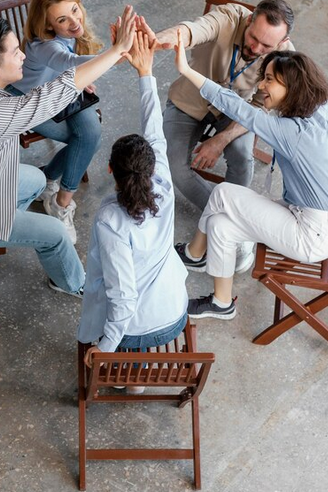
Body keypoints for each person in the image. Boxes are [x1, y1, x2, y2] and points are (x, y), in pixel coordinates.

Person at [0, 6, 138, 297]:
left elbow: (50, 91)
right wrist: (117, 50)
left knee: (36, 180)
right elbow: (57, 90)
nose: (23, 55)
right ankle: (72, 283)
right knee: (56, 234)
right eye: (14, 52)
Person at [172, 34, 328, 320]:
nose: (262, 86)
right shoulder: (322, 110)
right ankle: (221, 303)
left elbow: (239, 110)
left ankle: (193, 255)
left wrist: (187, 70)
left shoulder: (294, 133)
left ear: (292, 87)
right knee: (219, 224)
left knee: (222, 193)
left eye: (269, 80)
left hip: (311, 234)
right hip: (317, 219)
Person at [77, 29, 189, 389]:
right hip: (175, 312)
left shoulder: (112, 220)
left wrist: (105, 349)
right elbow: (154, 129)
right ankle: (135, 377)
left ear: (110, 170)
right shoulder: (164, 185)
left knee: (114, 321)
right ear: (151, 166)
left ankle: (131, 376)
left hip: (140, 329)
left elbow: (124, 298)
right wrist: (146, 73)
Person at [153, 0, 296, 272]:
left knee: (243, 158)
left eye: (266, 46)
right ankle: (236, 223)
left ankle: (227, 225)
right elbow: (195, 29)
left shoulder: (287, 56)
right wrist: (164, 38)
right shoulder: (228, 17)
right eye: (253, 37)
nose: (256, 48)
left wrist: (220, 140)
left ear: (283, 40)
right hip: (189, 101)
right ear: (250, 19)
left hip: (237, 113)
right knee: (172, 166)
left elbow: (261, 110)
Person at [10, 0, 104, 244]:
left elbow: (66, 67)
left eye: (75, 10)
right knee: (85, 140)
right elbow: (67, 61)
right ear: (49, 26)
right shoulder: (44, 46)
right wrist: (118, 53)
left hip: (61, 89)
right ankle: (60, 201)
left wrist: (77, 78)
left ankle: (51, 183)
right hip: (30, 101)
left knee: (90, 136)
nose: (75, 22)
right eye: (63, 19)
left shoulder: (69, 34)